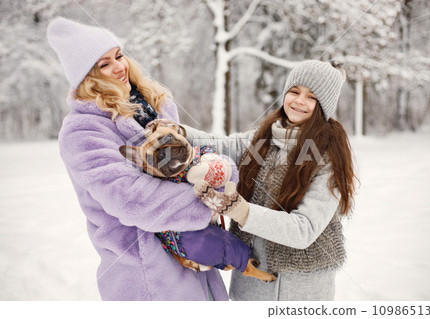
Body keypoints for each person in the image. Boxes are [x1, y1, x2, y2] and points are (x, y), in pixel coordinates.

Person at [46, 17, 229, 301]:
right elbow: (131, 199)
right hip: (145, 270)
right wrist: (206, 201)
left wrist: (219, 172)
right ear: (87, 78)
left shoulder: (153, 104)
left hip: (192, 253)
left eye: (119, 56)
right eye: (104, 64)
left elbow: (194, 157)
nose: (119, 66)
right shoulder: (83, 129)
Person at [185, 60, 357, 300]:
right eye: (294, 91)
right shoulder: (265, 136)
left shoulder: (329, 156)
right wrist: (178, 132)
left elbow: (303, 230)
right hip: (250, 286)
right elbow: (221, 144)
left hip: (300, 293)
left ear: (324, 106)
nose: (299, 101)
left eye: (311, 97)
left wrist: (241, 210)